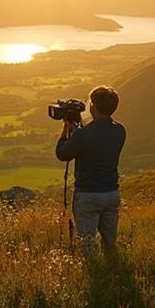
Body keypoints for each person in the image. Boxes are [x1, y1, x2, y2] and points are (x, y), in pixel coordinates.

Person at [55, 85, 126, 255]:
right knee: (109, 245)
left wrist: (66, 128)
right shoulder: (120, 131)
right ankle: (113, 272)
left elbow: (62, 154)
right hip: (111, 194)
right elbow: (98, 138)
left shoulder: (83, 135)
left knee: (87, 246)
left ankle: (94, 274)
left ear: (93, 105)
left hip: (88, 195)